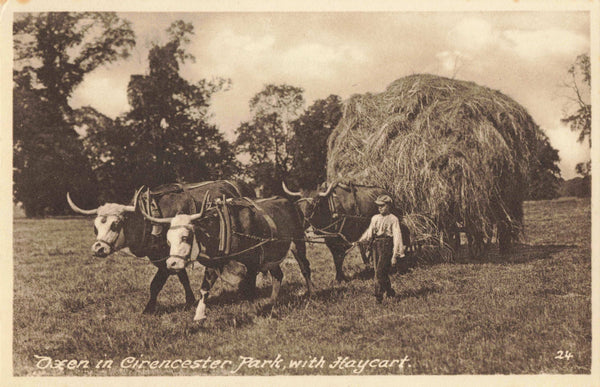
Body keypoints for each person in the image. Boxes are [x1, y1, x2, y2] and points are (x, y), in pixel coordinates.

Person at [356, 194, 405, 303]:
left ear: (388, 206)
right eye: (378, 206)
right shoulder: (375, 218)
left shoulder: (393, 219)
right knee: (380, 271)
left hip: (387, 245)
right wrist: (361, 240)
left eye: (382, 205)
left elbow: (397, 237)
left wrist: (395, 255)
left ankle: (378, 297)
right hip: (376, 245)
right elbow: (370, 232)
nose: (380, 208)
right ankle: (390, 292)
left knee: (379, 272)